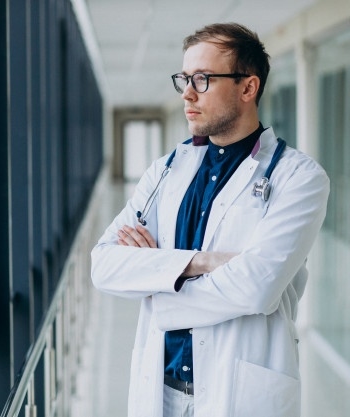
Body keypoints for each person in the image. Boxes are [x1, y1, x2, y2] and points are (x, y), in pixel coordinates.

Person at [91, 22, 329, 417]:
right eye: (184, 78)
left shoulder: (299, 178)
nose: (187, 93)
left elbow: (256, 288)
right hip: (161, 390)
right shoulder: (165, 171)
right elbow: (103, 265)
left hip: (239, 393)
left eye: (202, 79)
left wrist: (157, 283)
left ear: (248, 88)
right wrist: (198, 262)